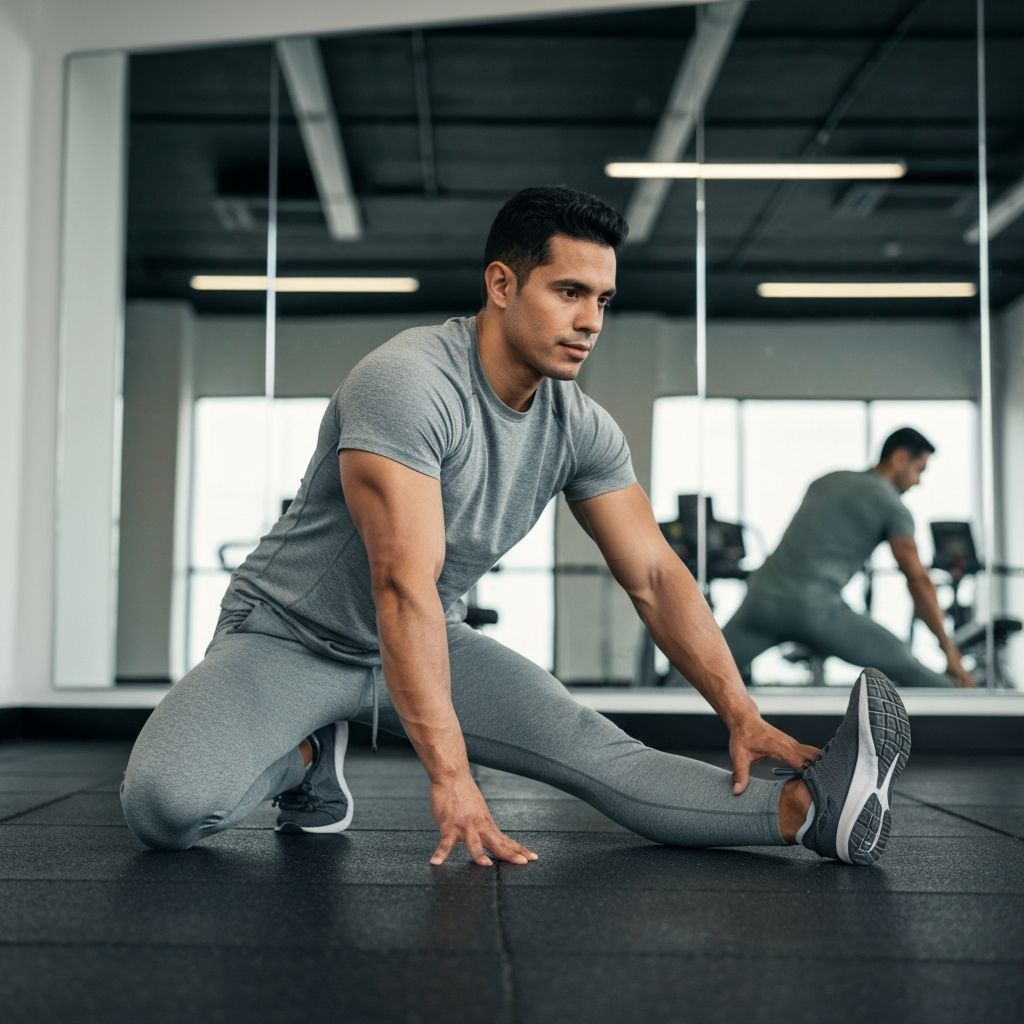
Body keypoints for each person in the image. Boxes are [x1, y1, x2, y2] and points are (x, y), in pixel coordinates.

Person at [120, 186, 910, 868]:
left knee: (598, 753)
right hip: (292, 636)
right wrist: (451, 774)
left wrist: (740, 714)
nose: (591, 319)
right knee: (167, 807)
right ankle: (302, 757)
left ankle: (811, 814)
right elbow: (400, 584)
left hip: (435, 638)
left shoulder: (582, 426)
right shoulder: (408, 383)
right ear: (502, 283)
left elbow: (656, 576)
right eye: (568, 291)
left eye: (602, 299)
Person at [723, 428, 976, 689]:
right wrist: (950, 653)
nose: (918, 481)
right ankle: (967, 701)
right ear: (899, 458)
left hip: (760, 600)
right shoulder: (892, 506)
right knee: (909, 667)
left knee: (695, 676)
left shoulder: (827, 480)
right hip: (815, 610)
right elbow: (917, 578)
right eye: (919, 469)